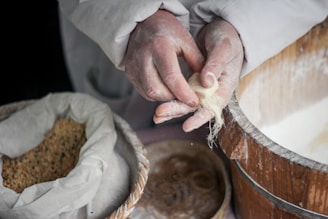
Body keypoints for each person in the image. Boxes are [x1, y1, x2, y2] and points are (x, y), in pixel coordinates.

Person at [57, 0, 328, 134]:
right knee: (123, 142)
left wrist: (242, 27)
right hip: (116, 26)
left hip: (261, 30)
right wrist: (133, 16)